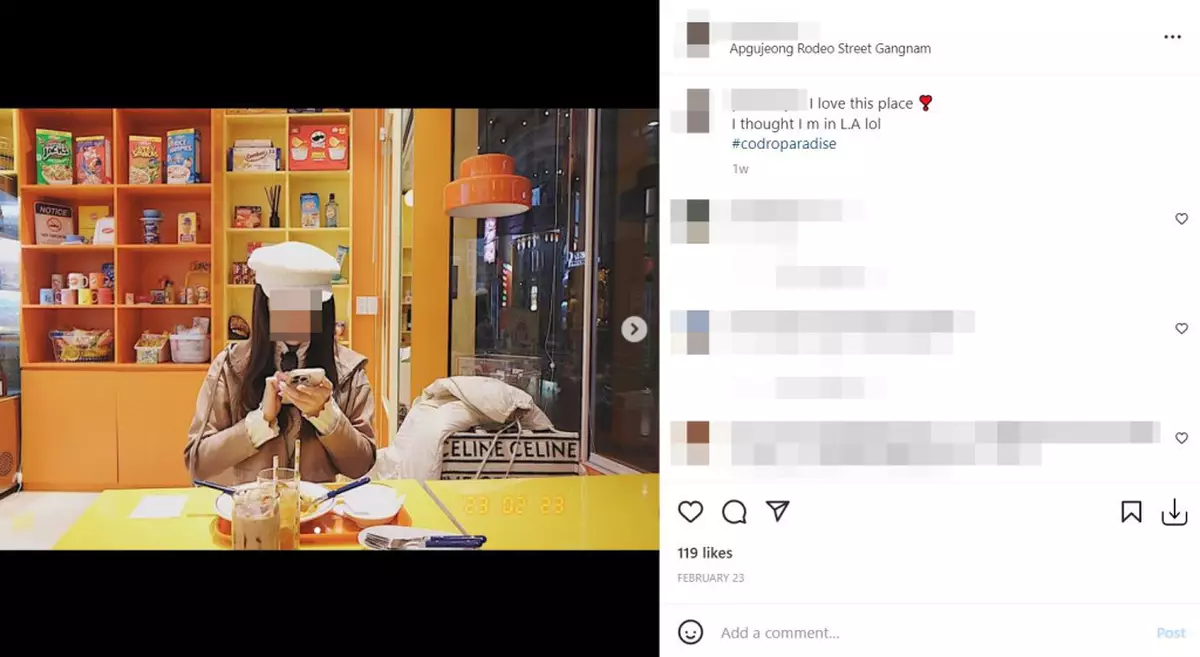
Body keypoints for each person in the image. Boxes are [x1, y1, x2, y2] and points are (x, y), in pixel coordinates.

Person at [184, 241, 376, 485]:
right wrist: (260, 421)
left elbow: (361, 465)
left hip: (318, 504)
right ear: (264, 303)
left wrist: (326, 415)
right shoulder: (230, 366)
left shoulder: (350, 370)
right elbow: (198, 463)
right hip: (252, 505)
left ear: (323, 306)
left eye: (308, 303)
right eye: (283, 302)